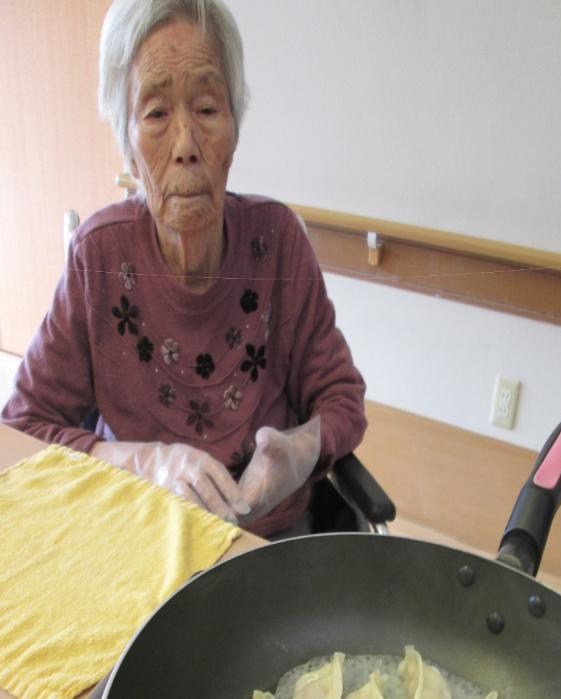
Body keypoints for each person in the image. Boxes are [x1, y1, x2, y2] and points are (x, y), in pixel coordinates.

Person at [1, 0, 367, 537]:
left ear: (235, 131)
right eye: (155, 114)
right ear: (128, 144)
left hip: (261, 541)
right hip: (137, 537)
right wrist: (144, 464)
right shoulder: (98, 257)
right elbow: (23, 427)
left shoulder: (279, 241)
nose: (186, 146)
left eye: (207, 109)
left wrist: (303, 449)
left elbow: (342, 399)